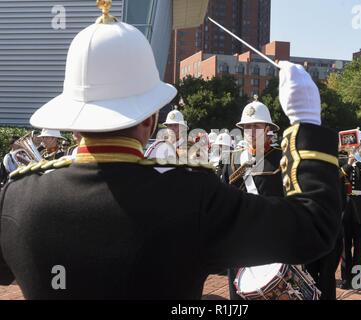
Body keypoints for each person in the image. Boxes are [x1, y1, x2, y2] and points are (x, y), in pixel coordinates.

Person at [0, 10, 340, 299]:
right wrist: (305, 123)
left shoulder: (16, 197)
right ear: (150, 118)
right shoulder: (192, 195)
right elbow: (313, 229)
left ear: (73, 119)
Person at [222, 99, 284, 300]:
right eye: (246, 126)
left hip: (270, 239)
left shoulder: (281, 159)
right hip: (238, 240)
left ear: (267, 129)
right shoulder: (232, 159)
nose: (250, 131)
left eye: (256, 126)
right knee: (237, 294)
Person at [340, 130, 361, 290]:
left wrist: (359, 162)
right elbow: (336, 178)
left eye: (359, 146)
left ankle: (357, 280)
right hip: (346, 209)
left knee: (360, 247)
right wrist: (349, 162)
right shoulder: (341, 161)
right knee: (345, 247)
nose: (356, 148)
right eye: (354, 146)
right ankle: (346, 280)